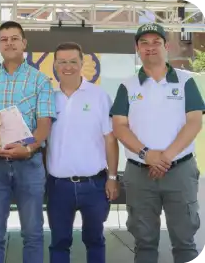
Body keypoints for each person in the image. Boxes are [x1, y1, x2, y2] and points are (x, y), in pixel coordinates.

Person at [110, 23, 204, 263]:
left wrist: (164, 157)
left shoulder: (185, 82)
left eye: (156, 42)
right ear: (137, 49)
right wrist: (146, 154)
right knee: (144, 244)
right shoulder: (127, 85)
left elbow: (194, 122)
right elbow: (119, 126)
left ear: (167, 46)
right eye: (144, 43)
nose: (150, 48)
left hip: (180, 171)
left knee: (185, 243)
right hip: (140, 174)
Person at [0, 21, 56, 263]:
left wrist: (29, 148)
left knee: (32, 233)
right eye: (4, 39)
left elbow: (44, 124)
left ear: (24, 43)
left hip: (29, 163)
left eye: (14, 38)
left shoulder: (40, 80)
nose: (9, 43)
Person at [45, 42, 120, 263]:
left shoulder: (99, 96)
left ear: (82, 63)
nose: (67, 67)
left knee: (95, 240)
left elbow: (110, 139)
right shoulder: (48, 97)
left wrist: (113, 178)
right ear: (55, 65)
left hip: (95, 185)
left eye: (72, 61)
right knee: (59, 242)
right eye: (62, 62)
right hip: (58, 186)